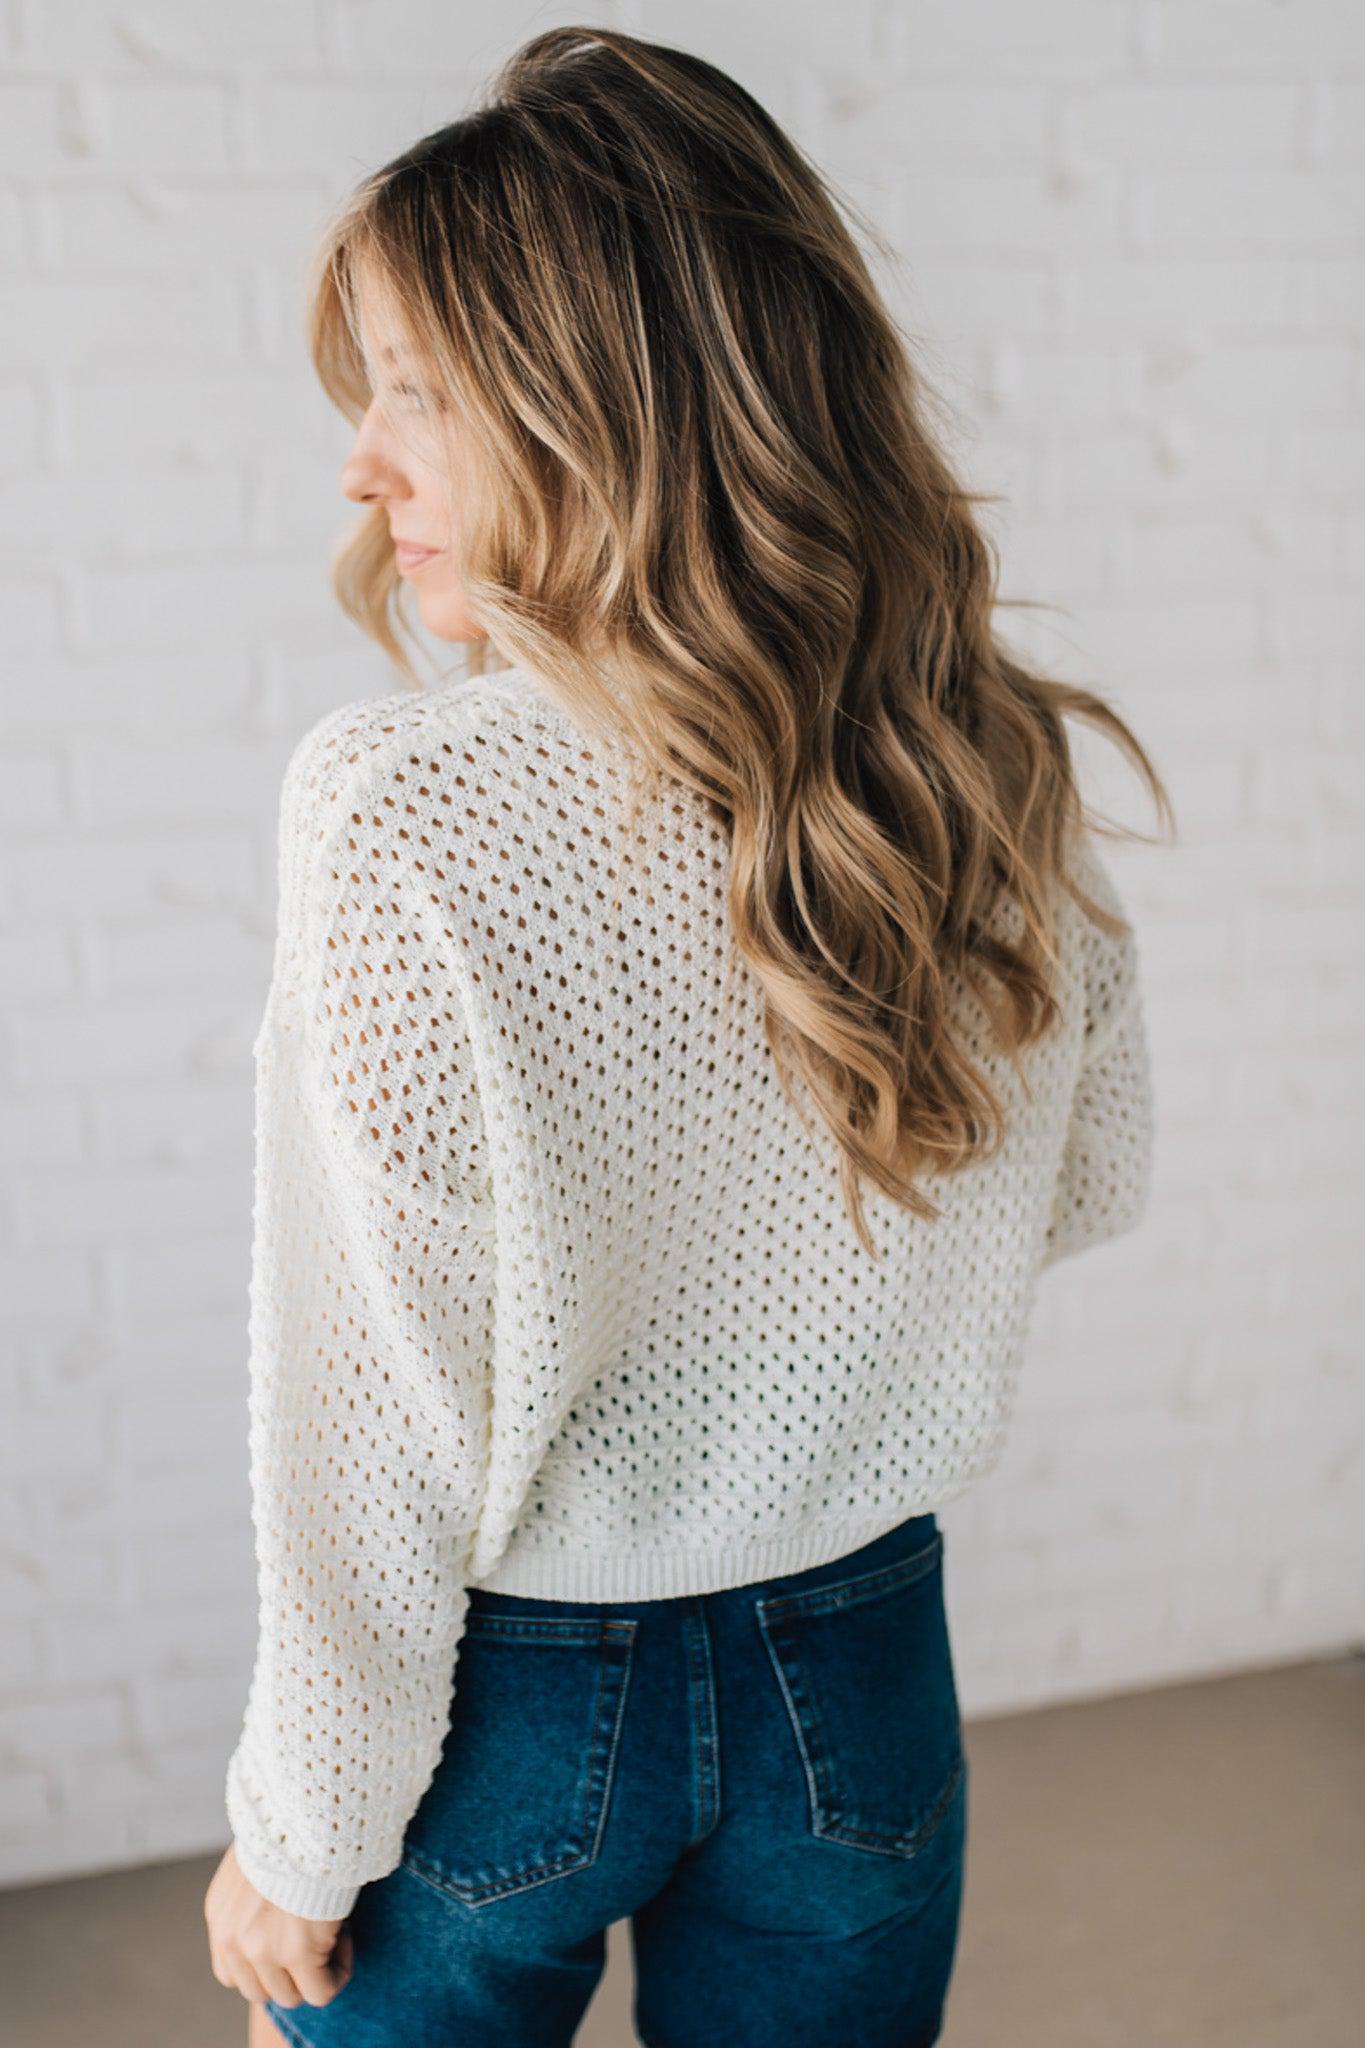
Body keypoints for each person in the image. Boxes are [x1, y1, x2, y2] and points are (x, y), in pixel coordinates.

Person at [202, 25, 1169, 2048]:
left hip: (512, 1710)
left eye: (407, 394)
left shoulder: (402, 815)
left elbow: (370, 1425)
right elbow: (1084, 1183)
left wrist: (295, 1834)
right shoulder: (972, 754)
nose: (360, 465)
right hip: (865, 1669)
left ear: (592, 418)